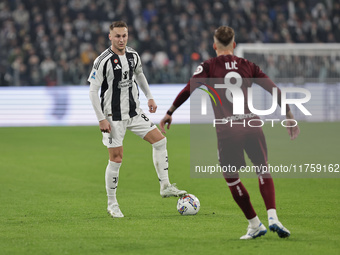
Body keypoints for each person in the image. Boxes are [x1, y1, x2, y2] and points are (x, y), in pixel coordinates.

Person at [160, 26, 300, 239]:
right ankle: (273, 217)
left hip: (228, 129)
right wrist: (289, 114)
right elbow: (273, 89)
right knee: (263, 170)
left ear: (214, 45)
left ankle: (254, 224)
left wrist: (170, 111)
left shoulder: (208, 66)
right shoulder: (248, 65)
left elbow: (189, 88)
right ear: (234, 45)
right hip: (252, 125)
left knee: (232, 179)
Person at [88, 21, 186, 218]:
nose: (121, 39)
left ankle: (165, 186)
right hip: (113, 116)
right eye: (117, 36)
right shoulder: (103, 60)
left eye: (124, 35)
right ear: (110, 37)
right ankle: (112, 203)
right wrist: (101, 119)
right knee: (116, 158)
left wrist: (149, 96)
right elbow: (92, 90)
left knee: (160, 141)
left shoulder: (133, 56)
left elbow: (139, 74)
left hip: (134, 112)